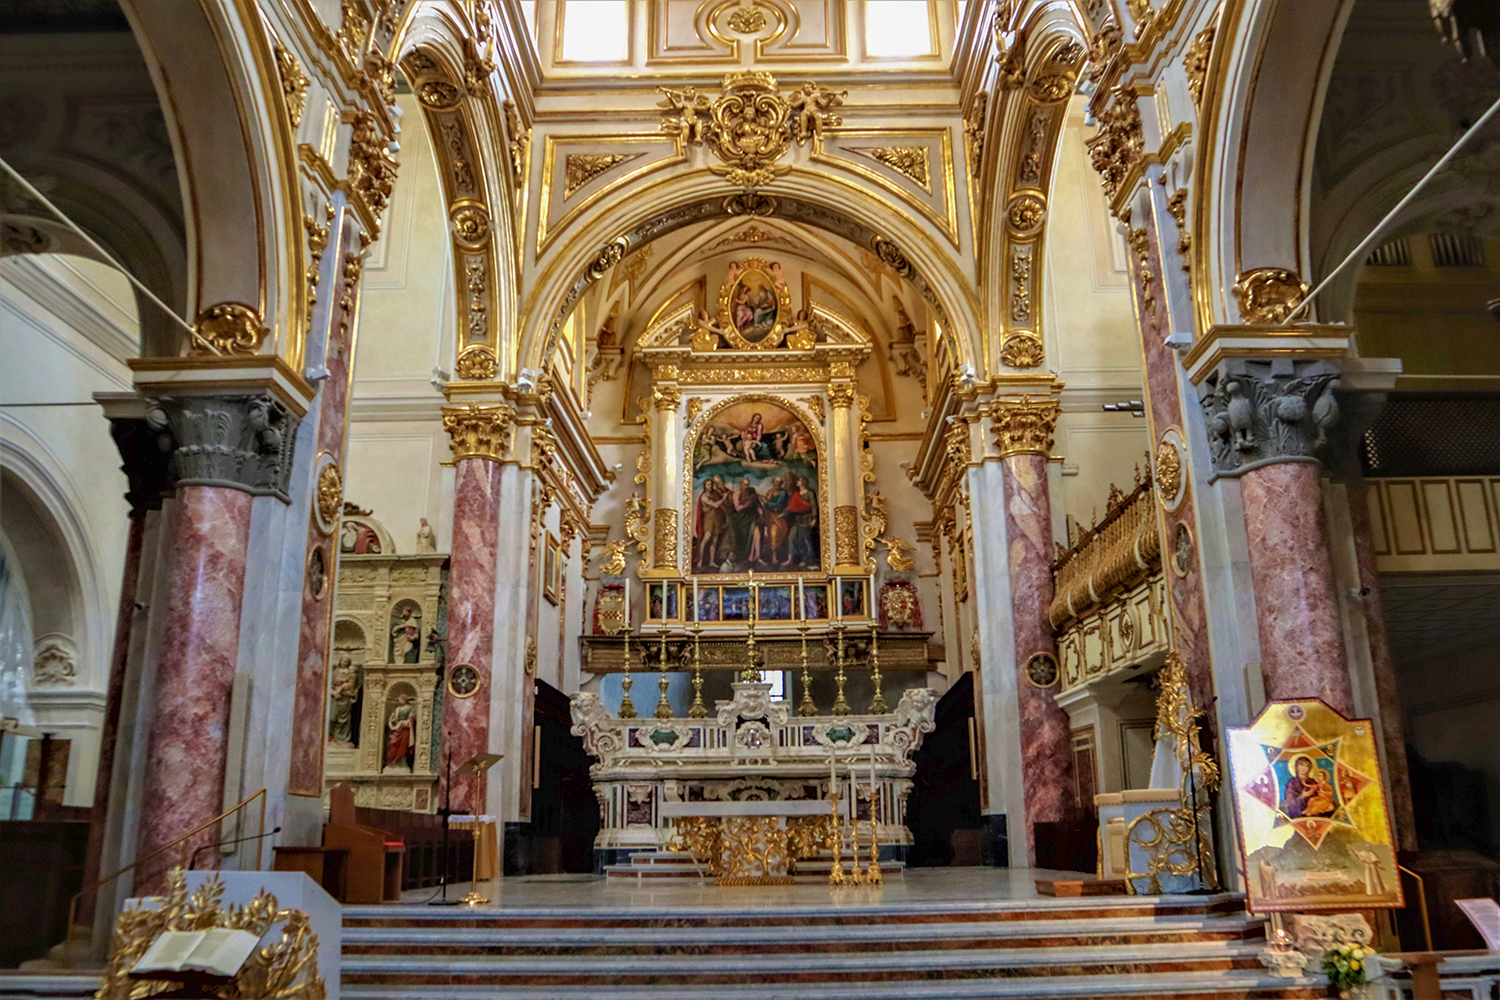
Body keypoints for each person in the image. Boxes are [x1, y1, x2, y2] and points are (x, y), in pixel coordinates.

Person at [731, 478, 763, 566]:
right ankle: (746, 557)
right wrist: (747, 504)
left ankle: (757, 557)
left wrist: (761, 513)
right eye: (745, 485)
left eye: (748, 485)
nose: (746, 487)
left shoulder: (751, 494)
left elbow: (757, 506)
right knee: (744, 540)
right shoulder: (737, 494)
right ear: (741, 485)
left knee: (757, 535)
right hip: (741, 520)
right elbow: (737, 508)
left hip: (751, 518)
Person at [385, 692, 416, 770]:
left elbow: (412, 718)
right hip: (397, 729)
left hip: (405, 730)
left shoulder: (410, 708)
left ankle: (402, 763)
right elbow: (394, 719)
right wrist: (392, 719)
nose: (400, 701)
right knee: (392, 743)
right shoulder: (397, 709)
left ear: (404, 700)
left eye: (401, 700)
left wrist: (408, 721)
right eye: (399, 700)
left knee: (403, 746)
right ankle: (393, 763)